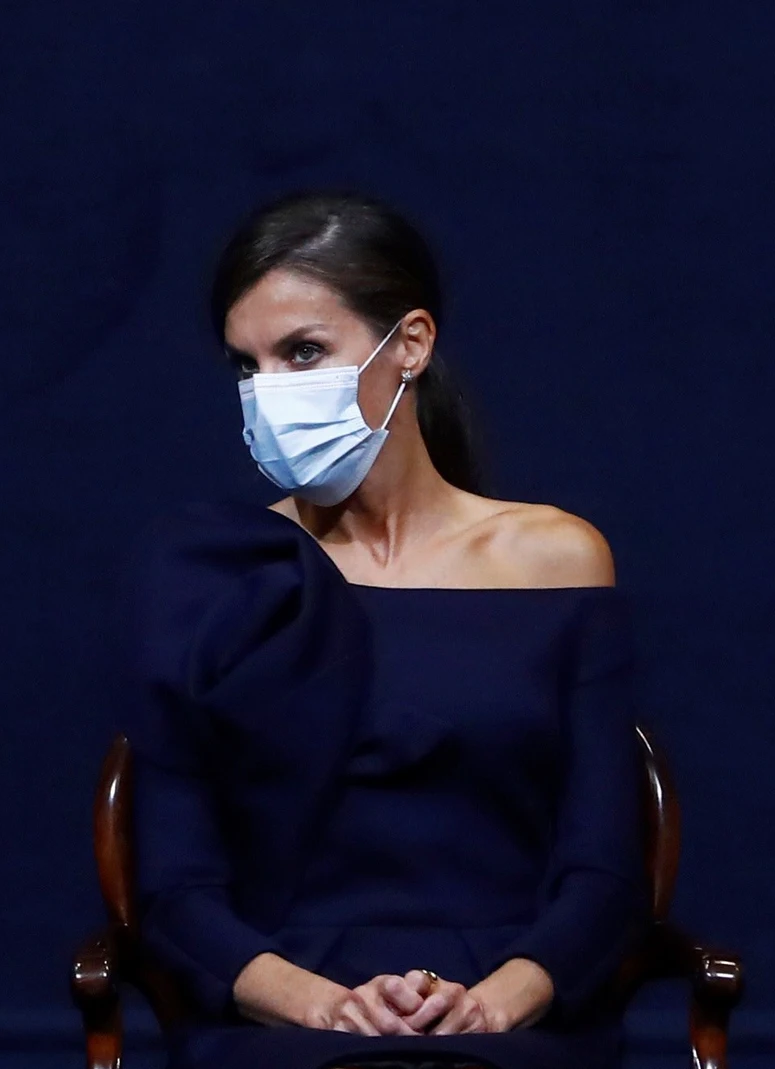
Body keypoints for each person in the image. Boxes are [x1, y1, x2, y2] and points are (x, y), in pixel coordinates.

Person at [130, 192, 645, 1069]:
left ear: (410, 342)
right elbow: (174, 885)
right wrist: (320, 1004)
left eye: (303, 352)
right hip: (285, 1014)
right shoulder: (218, 573)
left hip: (509, 1010)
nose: (270, 392)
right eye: (247, 367)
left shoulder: (557, 559)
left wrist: (497, 1002)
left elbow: (605, 863)